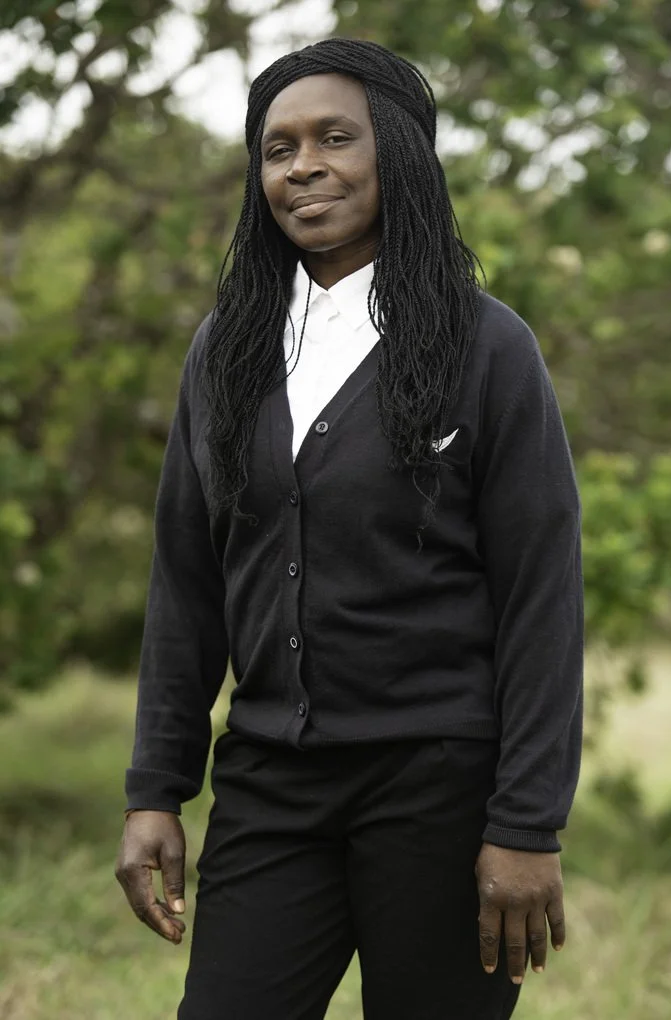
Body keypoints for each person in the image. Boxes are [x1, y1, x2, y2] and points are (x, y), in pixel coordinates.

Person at [115, 37, 583, 1020]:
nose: (304, 166)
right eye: (277, 149)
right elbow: (187, 583)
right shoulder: (228, 351)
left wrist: (527, 826)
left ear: (400, 155)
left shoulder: (488, 346)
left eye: (336, 137)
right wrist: (156, 790)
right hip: (270, 785)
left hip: (442, 792)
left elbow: (543, 600)